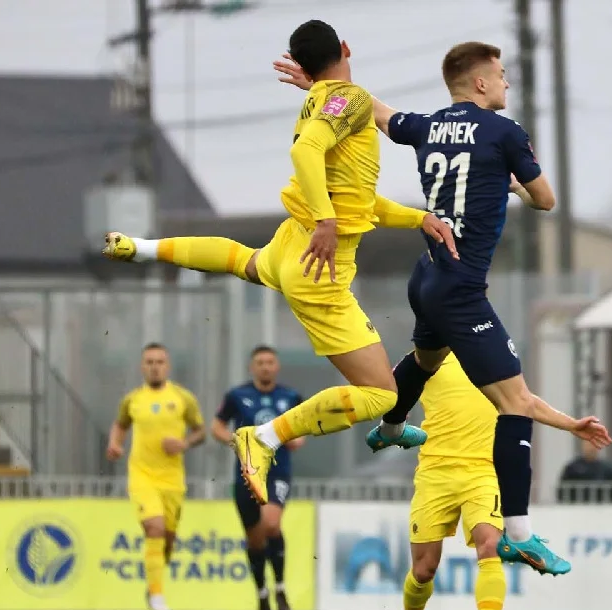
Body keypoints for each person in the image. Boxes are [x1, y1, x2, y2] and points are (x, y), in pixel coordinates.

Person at [272, 41, 611, 577]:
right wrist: (515, 185)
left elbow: (379, 113)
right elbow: (546, 199)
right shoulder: (505, 133)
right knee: (515, 403)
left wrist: (320, 85)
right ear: (479, 83)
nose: (505, 83)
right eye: (500, 75)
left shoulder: (428, 125)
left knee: (426, 361)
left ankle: (389, 424)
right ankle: (520, 534)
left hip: (426, 275)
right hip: (459, 287)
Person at [100, 19, 458, 508]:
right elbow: (307, 150)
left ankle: (138, 247)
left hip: (293, 244)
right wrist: (328, 223)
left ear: (307, 70)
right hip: (320, 268)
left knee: (243, 261)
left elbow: (360, 199)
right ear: (347, 48)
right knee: (383, 395)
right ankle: (264, 438)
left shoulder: (324, 100)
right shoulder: (350, 100)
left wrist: (417, 218)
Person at [375, 353, 507, 610]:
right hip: (436, 473)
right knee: (424, 569)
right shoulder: (425, 356)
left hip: (482, 470)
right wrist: (388, 428)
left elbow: (521, 399)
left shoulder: (494, 351)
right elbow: (391, 395)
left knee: (491, 546)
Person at [106, 342, 206, 610]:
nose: (154, 366)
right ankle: (158, 597)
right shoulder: (132, 400)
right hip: (142, 475)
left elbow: (200, 431)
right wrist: (115, 444)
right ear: (142, 366)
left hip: (173, 479)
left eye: (159, 361)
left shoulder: (183, 398)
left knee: (169, 540)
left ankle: (153, 585)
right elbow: (120, 424)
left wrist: (184, 443)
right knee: (155, 529)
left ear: (168, 365)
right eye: (149, 361)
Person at [211, 346, 304, 610]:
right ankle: (262, 594)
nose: (265, 367)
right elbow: (216, 426)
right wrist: (235, 441)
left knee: (271, 524)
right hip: (246, 474)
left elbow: (303, 429)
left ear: (277, 367)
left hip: (278, 471)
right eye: (260, 362)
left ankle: (280, 587)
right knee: (255, 539)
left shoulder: (290, 397)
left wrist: (296, 438)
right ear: (252, 367)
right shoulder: (237, 396)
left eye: (270, 362)